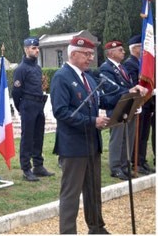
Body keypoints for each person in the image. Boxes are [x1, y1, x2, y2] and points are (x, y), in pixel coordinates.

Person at [50, 37, 147, 234]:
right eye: (86, 54)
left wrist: (129, 92)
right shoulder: (62, 77)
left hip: (92, 143)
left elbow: (102, 100)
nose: (90, 58)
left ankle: (96, 228)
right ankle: (67, 232)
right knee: (71, 193)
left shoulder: (89, 77)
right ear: (73, 54)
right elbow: (60, 112)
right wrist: (91, 121)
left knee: (93, 190)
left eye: (92, 54)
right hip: (74, 146)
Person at [12, 37, 54, 182]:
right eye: (33, 48)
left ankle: (38, 165)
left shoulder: (37, 68)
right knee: (27, 138)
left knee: (38, 136)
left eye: (37, 48)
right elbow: (16, 92)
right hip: (28, 105)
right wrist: (20, 108)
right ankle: (26, 168)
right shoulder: (21, 69)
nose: (37, 50)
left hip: (38, 104)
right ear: (26, 49)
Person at [100, 41, 137, 180]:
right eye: (120, 50)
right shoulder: (106, 68)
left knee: (128, 137)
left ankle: (124, 165)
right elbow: (111, 88)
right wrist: (129, 90)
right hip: (116, 107)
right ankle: (115, 167)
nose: (124, 52)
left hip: (128, 105)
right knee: (117, 138)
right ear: (111, 53)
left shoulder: (122, 67)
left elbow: (129, 83)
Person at [123, 35, 155, 174]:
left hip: (147, 103)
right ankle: (136, 161)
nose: (144, 50)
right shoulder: (130, 63)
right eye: (141, 47)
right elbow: (134, 83)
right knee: (138, 133)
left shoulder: (141, 63)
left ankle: (142, 160)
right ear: (135, 48)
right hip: (139, 102)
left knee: (144, 134)